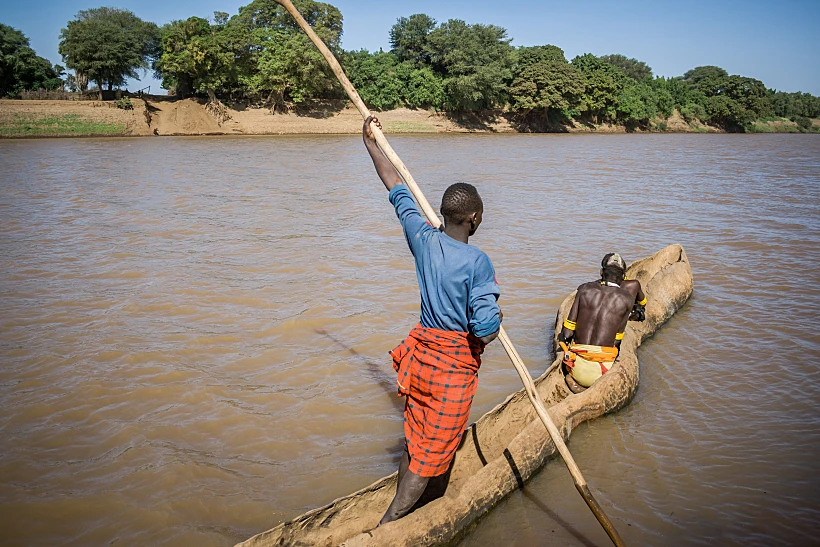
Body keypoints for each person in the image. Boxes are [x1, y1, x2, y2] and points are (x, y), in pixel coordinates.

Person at [362, 116, 502, 525]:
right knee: (428, 458)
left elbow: (396, 188)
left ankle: (405, 510)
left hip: (421, 360)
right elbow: (485, 330)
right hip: (450, 373)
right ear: (473, 219)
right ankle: (387, 527)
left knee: (414, 440)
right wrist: (497, 313)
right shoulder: (477, 262)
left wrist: (370, 144)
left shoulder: (423, 239)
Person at [557, 253, 646, 392]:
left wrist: (563, 339)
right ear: (623, 277)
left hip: (575, 369)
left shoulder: (584, 289)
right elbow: (617, 340)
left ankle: (572, 379)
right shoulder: (627, 298)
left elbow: (567, 332)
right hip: (603, 371)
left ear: (601, 272)